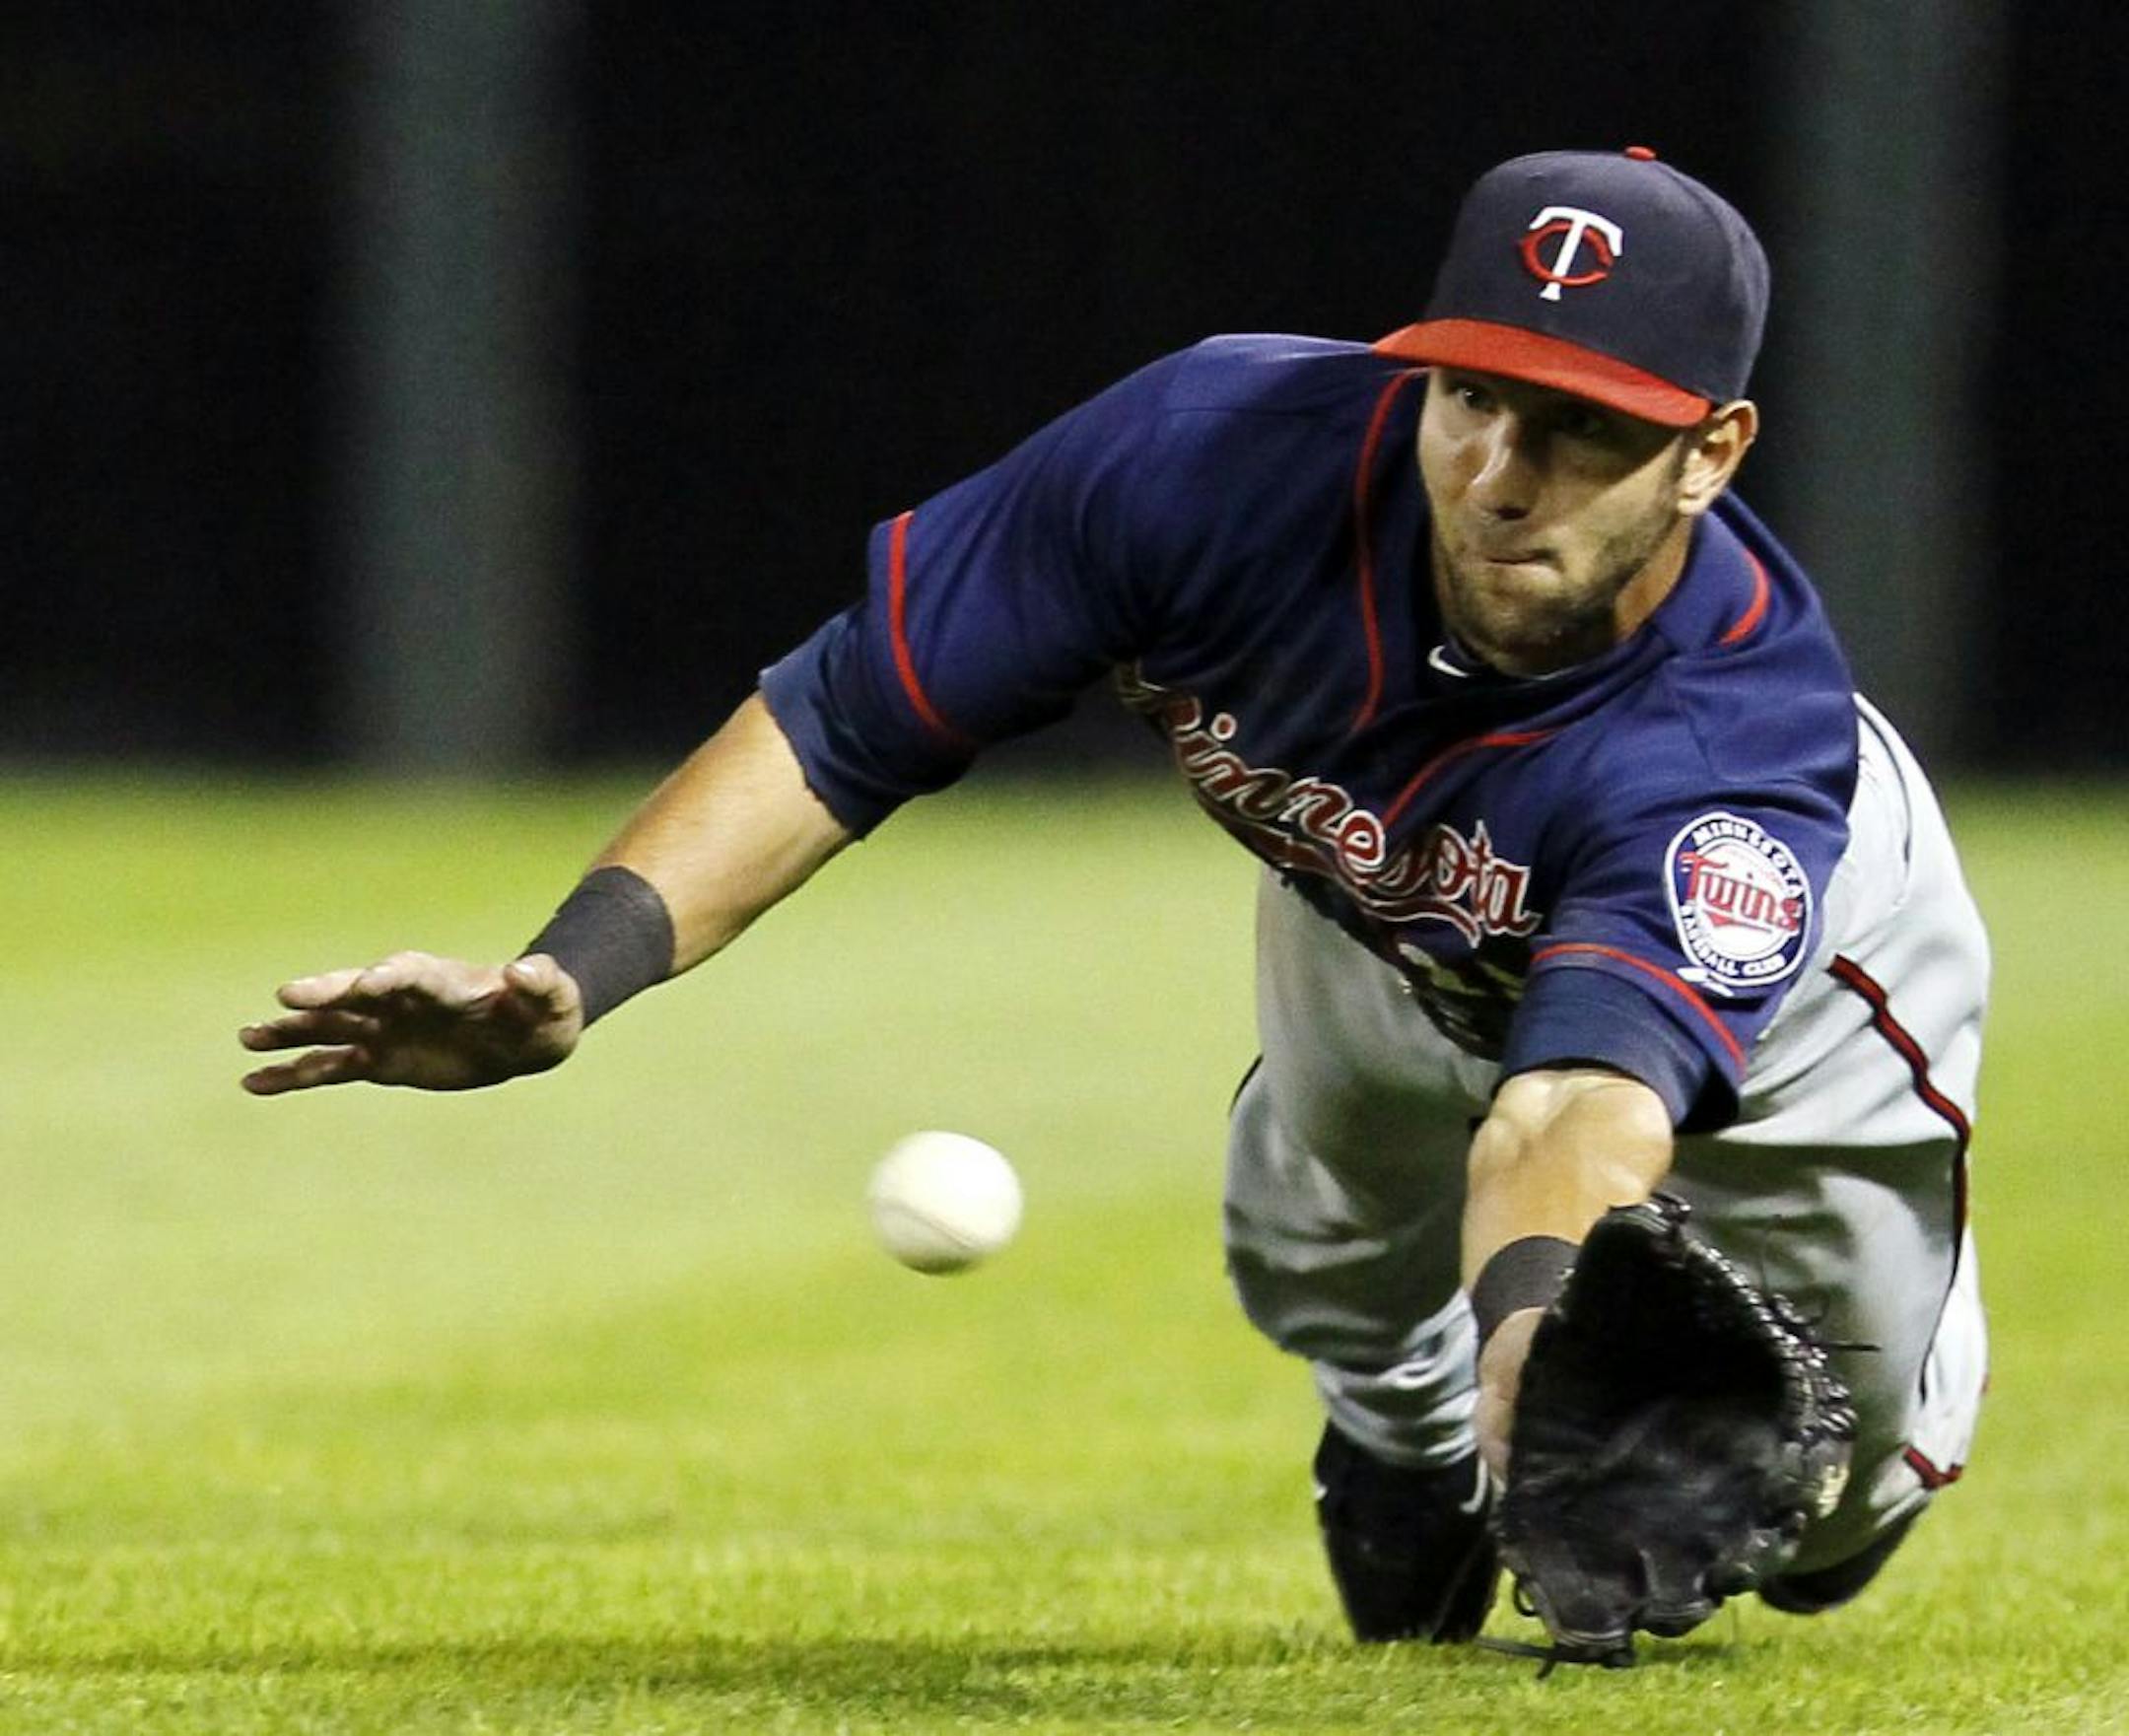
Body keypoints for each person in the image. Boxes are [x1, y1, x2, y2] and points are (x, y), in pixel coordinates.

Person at [241, 148, 1988, 1648]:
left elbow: (1570, 1104)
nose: (1499, 473)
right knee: (1308, 1235)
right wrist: (570, 973)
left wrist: (1538, 1328)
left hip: (1809, 1000)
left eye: (1586, 430)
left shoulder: (1730, 752)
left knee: (1822, 1522)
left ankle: (1773, 1429)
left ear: (1711, 449)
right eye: (1473, 397)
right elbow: (852, 712)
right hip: (1378, 894)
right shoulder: (1215, 453)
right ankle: (1402, 1447)